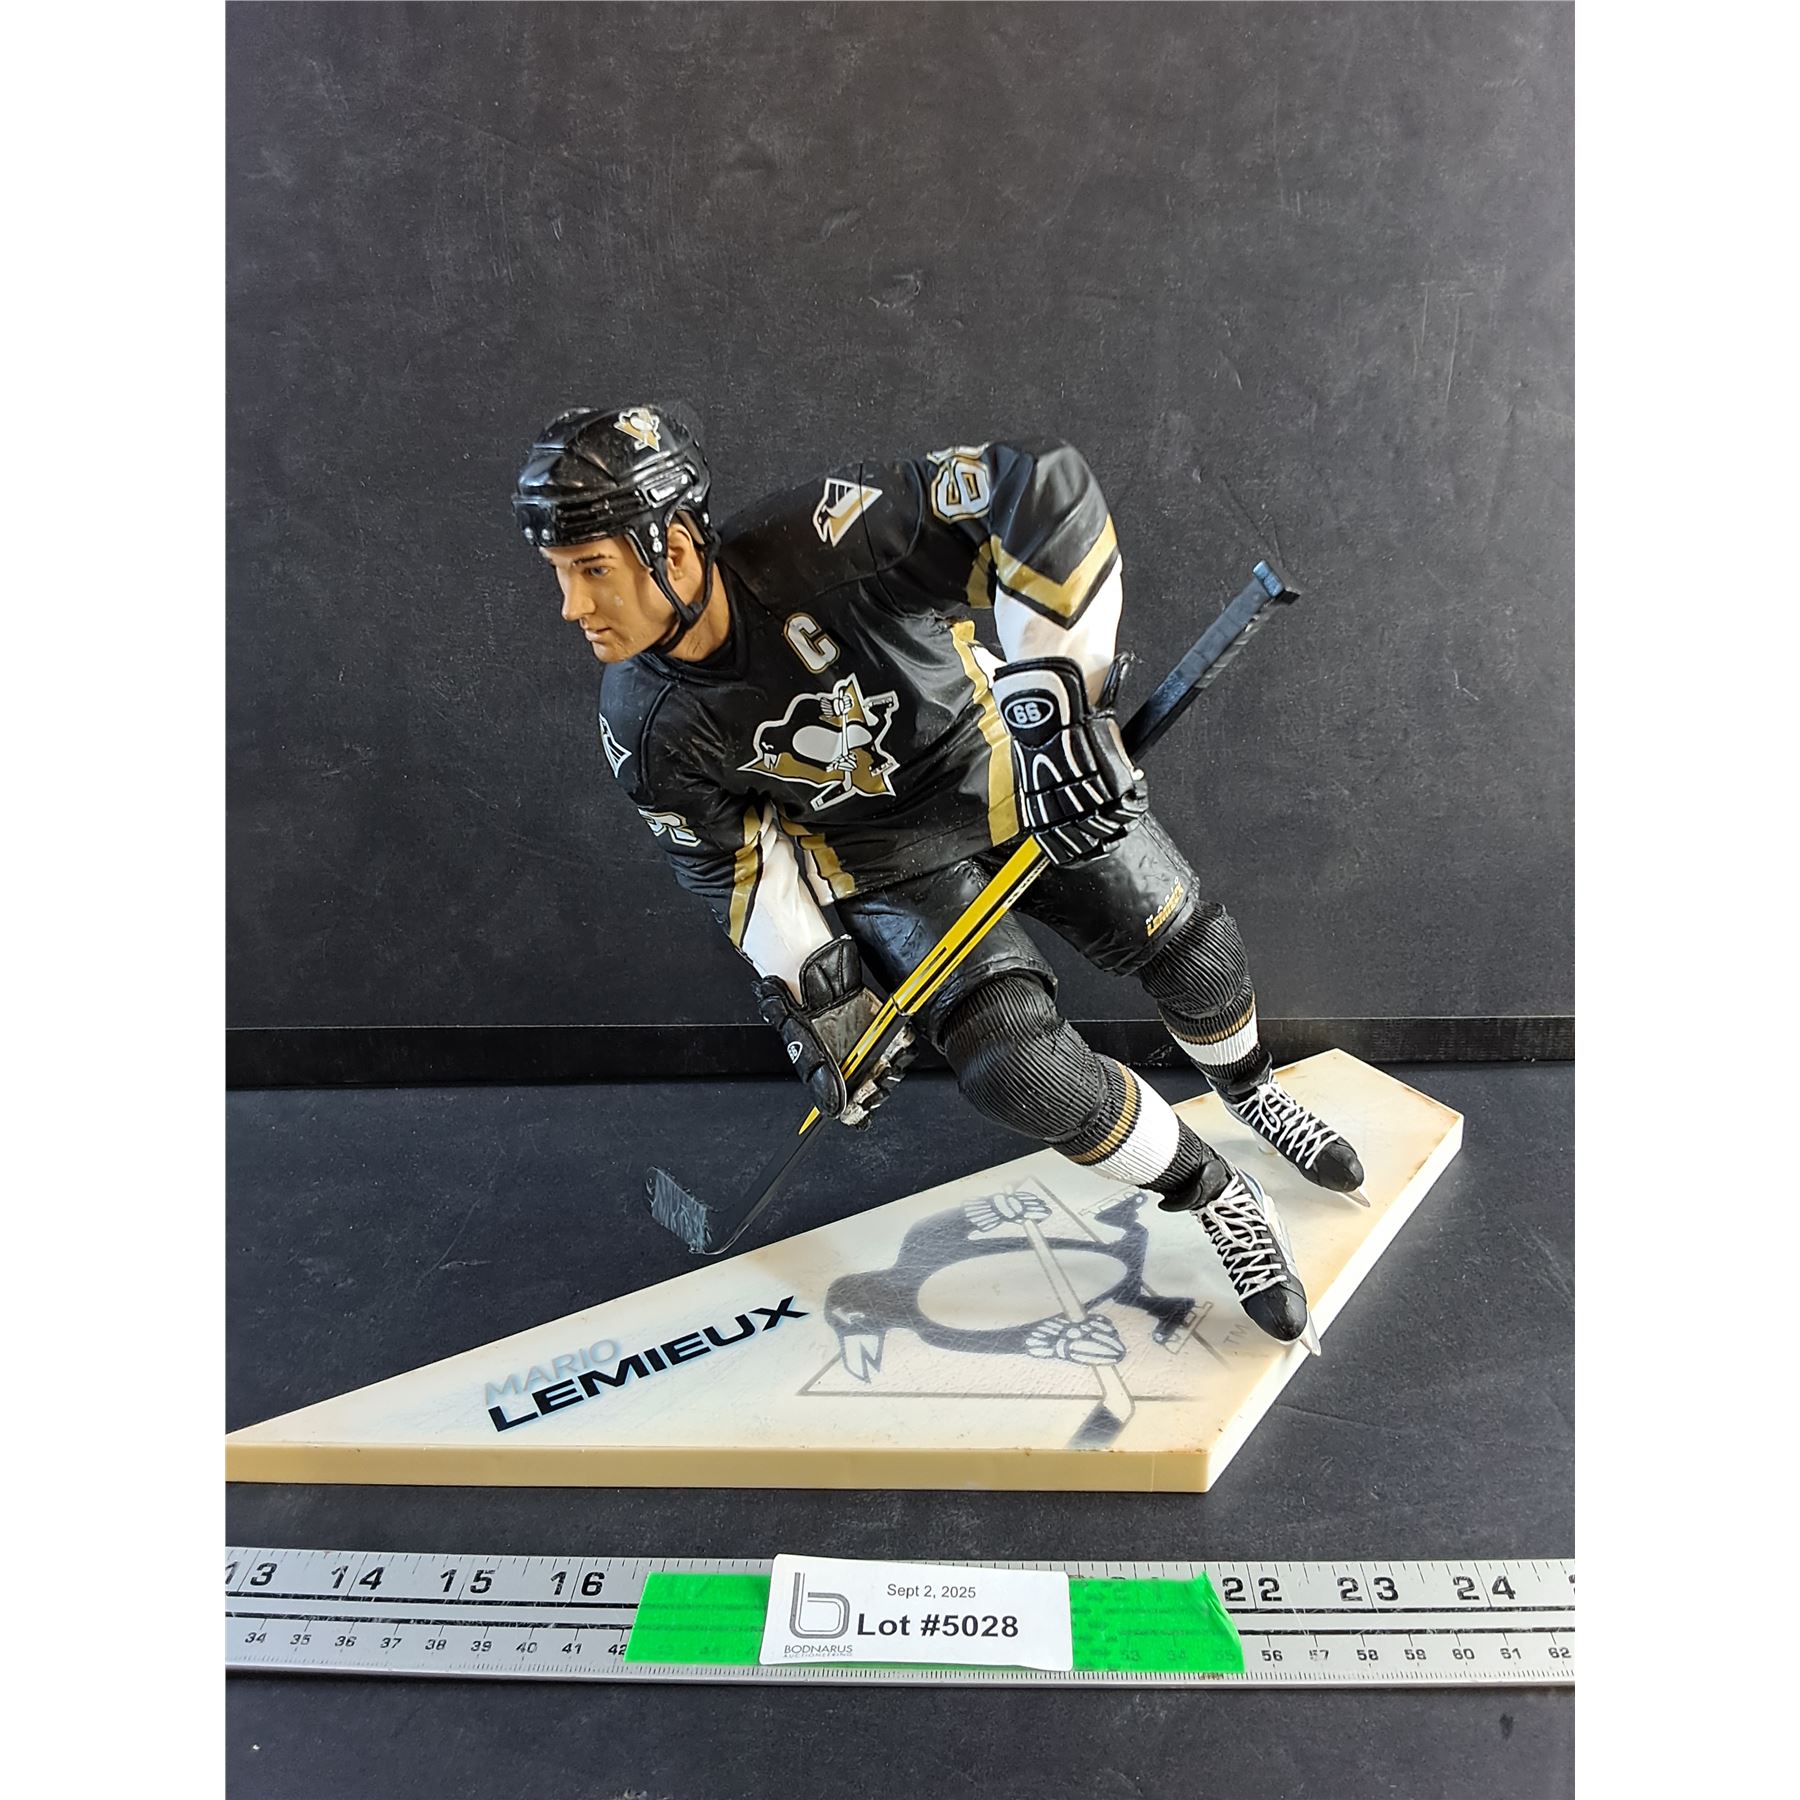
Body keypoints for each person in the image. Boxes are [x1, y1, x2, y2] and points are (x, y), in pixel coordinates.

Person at [513, 403, 1365, 1346]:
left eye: (591, 570)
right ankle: (1215, 1188)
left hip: (1001, 763)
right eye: (561, 573)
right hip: (879, 862)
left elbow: (1039, 485)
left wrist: (1055, 711)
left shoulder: (824, 537)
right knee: (1018, 1071)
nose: (572, 607)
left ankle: (1251, 1087)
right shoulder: (642, 725)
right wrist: (821, 992)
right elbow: (732, 866)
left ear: (672, 548)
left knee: (1191, 948)